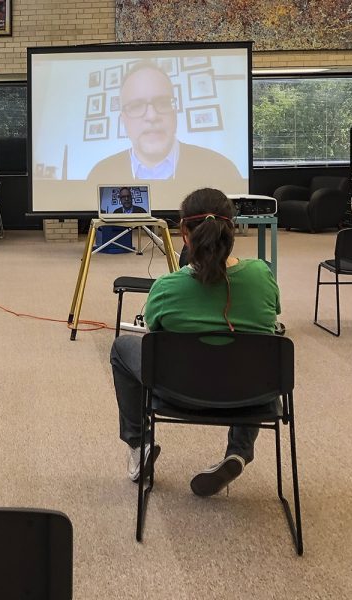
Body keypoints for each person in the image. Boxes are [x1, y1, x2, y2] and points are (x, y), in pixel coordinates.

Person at [110, 188, 280, 496]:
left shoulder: (166, 288)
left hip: (178, 393)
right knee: (261, 355)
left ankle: (140, 444)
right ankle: (239, 452)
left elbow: (154, 331)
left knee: (122, 348)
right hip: (251, 396)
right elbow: (271, 322)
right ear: (232, 230)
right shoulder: (261, 276)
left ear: (184, 234)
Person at [87, 61, 242, 187]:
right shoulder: (99, 175)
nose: (152, 116)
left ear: (175, 113)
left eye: (162, 103)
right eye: (136, 106)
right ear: (123, 121)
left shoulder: (221, 169)